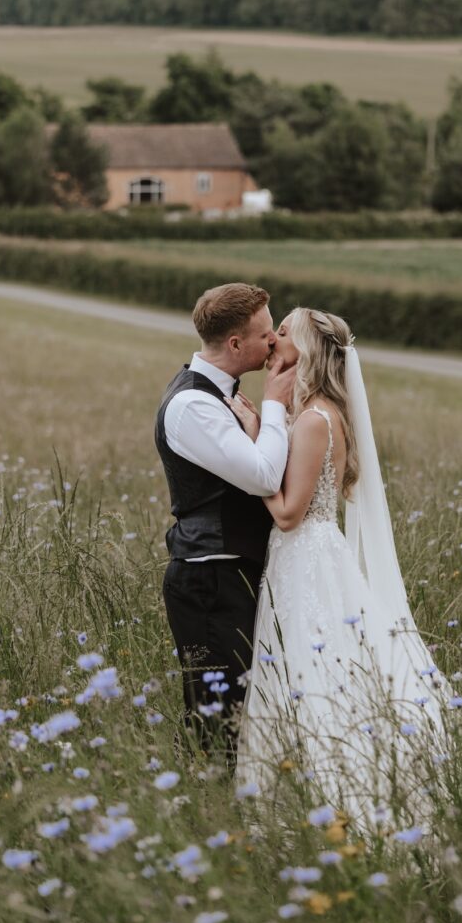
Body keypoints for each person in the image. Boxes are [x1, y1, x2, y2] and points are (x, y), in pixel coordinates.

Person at [228, 308, 449, 819]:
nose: (272, 338)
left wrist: (255, 437)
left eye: (283, 332)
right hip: (319, 553)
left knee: (314, 675)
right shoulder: (326, 412)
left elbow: (286, 513)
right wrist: (267, 425)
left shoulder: (310, 421)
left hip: (304, 558)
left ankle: (336, 795)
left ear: (303, 350)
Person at [155, 283, 296, 759]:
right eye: (264, 335)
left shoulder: (221, 398)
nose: (273, 343)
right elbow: (262, 475)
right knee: (217, 718)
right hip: (209, 579)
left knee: (237, 709)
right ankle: (206, 808)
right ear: (235, 344)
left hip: (229, 573)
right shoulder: (192, 405)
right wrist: (275, 401)